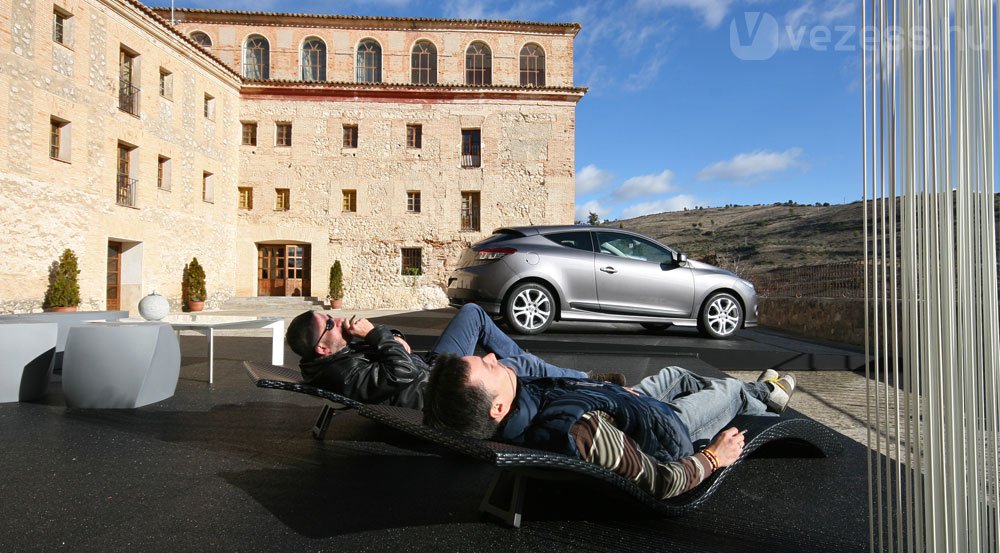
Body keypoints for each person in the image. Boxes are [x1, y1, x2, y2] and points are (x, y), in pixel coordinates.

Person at [422, 352, 796, 500]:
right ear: (496, 407)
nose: (491, 356)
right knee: (727, 388)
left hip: (630, 407)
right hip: (669, 432)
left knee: (676, 374)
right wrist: (714, 458)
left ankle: (757, 395)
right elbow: (662, 480)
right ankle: (764, 390)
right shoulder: (581, 431)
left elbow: (568, 392)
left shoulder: (520, 402)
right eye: (487, 366)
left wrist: (613, 394)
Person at [285, 303, 621, 409]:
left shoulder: (336, 353)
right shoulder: (341, 373)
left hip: (429, 367)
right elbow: (399, 374)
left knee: (472, 312)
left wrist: (393, 338)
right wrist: (375, 335)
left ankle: (529, 368)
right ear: (321, 347)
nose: (338, 320)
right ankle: (590, 383)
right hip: (438, 385)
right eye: (330, 323)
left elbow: (393, 349)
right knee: (525, 365)